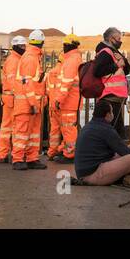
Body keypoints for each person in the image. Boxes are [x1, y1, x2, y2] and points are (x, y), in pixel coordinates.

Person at [74, 98, 130, 187]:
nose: (113, 114)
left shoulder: (90, 126)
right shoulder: (105, 129)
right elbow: (125, 151)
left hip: (85, 173)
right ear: (107, 115)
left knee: (119, 156)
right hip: (92, 175)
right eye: (112, 112)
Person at [11, 30, 48, 170]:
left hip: (33, 104)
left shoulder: (33, 57)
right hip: (27, 104)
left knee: (33, 133)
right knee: (22, 132)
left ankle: (32, 158)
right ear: (41, 43)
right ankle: (17, 159)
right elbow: (27, 83)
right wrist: (33, 103)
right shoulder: (30, 58)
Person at [46, 34, 83, 164]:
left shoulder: (72, 60)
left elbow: (66, 83)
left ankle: (70, 155)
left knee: (68, 129)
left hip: (69, 102)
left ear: (68, 45)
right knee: (66, 129)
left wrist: (58, 100)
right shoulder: (72, 59)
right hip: (69, 101)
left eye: (64, 45)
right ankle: (66, 151)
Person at [92, 27, 130, 136]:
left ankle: (116, 151)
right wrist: (116, 65)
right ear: (111, 39)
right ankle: (113, 152)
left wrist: (122, 60)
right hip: (109, 97)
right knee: (112, 130)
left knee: (116, 130)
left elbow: (127, 70)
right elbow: (98, 71)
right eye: (118, 38)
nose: (120, 41)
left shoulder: (113, 51)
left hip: (115, 97)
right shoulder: (105, 52)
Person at [0, 34, 27, 162]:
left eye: (25, 45)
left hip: (11, 98)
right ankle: (5, 154)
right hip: (12, 98)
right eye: (22, 46)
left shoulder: (16, 59)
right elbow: (14, 81)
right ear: (16, 46)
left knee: (7, 127)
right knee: (10, 127)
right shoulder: (14, 60)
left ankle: (4, 154)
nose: (24, 48)